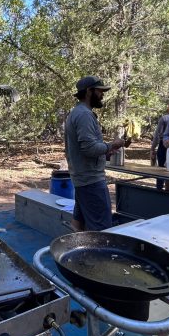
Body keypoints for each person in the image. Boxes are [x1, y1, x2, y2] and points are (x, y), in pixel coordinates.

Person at [64, 76, 125, 231]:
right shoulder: (84, 115)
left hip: (83, 178)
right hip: (91, 181)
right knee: (101, 228)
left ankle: (75, 251)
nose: (103, 95)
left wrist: (106, 152)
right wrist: (112, 144)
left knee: (78, 223)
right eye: (100, 91)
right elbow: (89, 148)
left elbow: (81, 148)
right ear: (89, 92)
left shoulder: (77, 112)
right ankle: (96, 255)